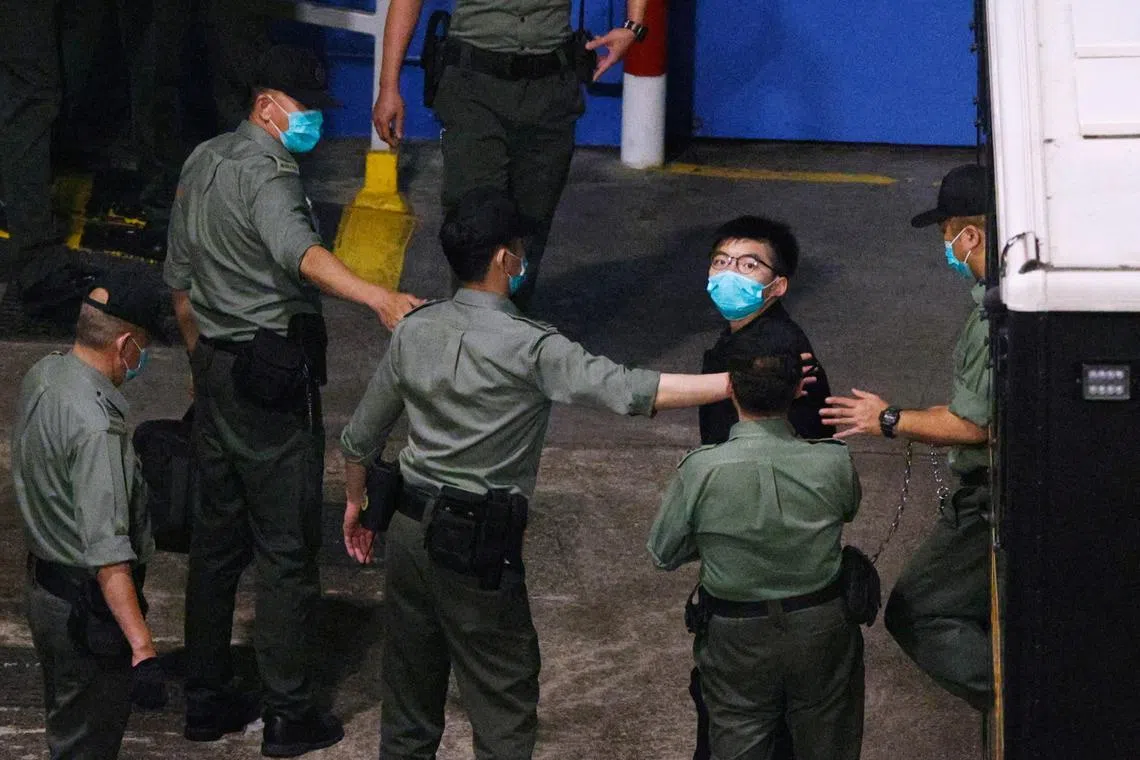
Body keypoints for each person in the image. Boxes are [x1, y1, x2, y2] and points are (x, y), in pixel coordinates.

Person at [339, 186, 732, 759]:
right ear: (504, 258)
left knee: (408, 697)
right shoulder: (532, 347)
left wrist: (357, 504)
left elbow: (359, 439)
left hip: (408, 532)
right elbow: (629, 390)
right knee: (502, 699)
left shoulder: (415, 329)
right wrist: (729, 384)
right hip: (475, 545)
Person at [163, 44, 422, 756]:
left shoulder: (203, 160)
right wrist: (378, 297)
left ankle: (206, 700)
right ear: (266, 105)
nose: (310, 120)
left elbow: (180, 282)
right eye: (303, 107)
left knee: (216, 544)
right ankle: (288, 712)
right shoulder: (272, 175)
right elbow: (298, 253)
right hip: (270, 381)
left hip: (215, 366)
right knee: (283, 549)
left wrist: (200, 367)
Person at [820, 164, 994, 712]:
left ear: (970, 235)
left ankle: (1030, 704)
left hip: (989, 497)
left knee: (921, 610)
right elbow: (969, 405)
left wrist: (890, 421)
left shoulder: (996, 318)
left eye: (948, 234)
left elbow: (974, 426)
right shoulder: (992, 302)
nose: (945, 247)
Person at [649, 351, 865, 760]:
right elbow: (848, 508)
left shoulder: (700, 469)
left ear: (731, 392)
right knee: (828, 740)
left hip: (735, 634)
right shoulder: (833, 460)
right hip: (821, 625)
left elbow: (664, 552)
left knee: (738, 737)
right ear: (798, 393)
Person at [372, 0, 650, 309]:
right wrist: (388, 86)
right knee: (474, 223)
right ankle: (473, 334)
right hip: (473, 86)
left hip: (550, 90)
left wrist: (633, 26)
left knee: (530, 224)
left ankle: (511, 327)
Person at [689, 215, 834, 760]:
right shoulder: (746, 337)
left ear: (778, 286)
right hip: (774, 548)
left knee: (742, 717)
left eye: (749, 265)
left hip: (763, 558)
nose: (730, 273)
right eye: (721, 262)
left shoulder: (771, 351)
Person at [13, 272, 167, 759]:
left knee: (68, 724)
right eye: (140, 349)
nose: (139, 361)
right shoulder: (97, 428)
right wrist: (142, 649)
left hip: (45, 591)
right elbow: (108, 558)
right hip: (85, 611)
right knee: (88, 744)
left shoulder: (46, 374)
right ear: (124, 344)